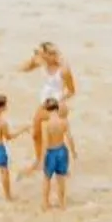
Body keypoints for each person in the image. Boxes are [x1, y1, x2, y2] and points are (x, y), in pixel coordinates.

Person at [20, 40, 76, 171]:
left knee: (56, 138)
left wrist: (61, 100)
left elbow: (72, 91)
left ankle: (62, 165)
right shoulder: (42, 63)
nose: (54, 55)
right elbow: (23, 69)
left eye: (55, 52)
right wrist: (34, 57)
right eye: (50, 53)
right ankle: (39, 160)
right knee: (36, 134)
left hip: (57, 104)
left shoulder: (64, 70)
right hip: (44, 102)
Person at [37, 95, 74, 210]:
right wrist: (73, 151)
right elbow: (70, 138)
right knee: (61, 179)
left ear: (46, 110)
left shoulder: (45, 124)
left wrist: (41, 160)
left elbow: (45, 143)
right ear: (57, 108)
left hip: (51, 152)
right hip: (62, 150)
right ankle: (62, 203)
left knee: (47, 179)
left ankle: (45, 203)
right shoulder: (64, 122)